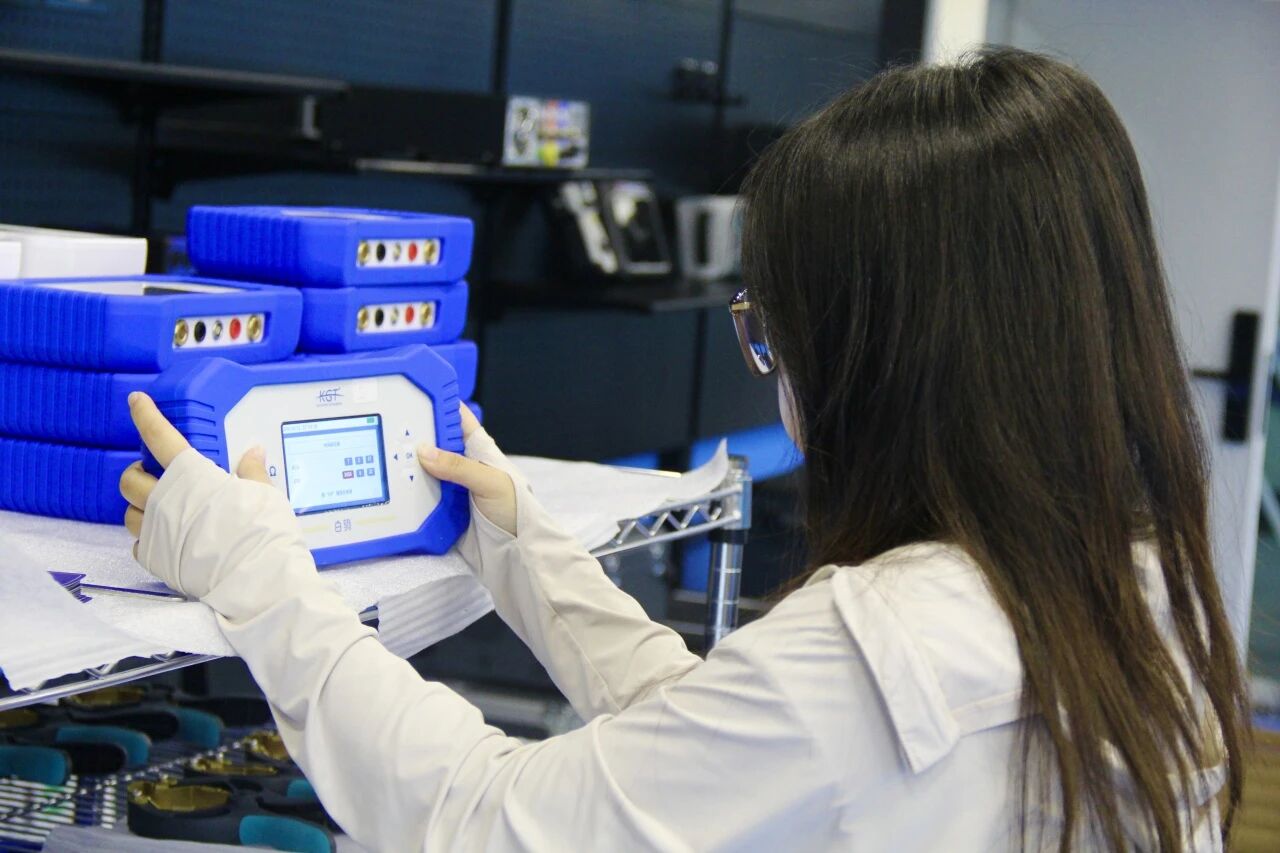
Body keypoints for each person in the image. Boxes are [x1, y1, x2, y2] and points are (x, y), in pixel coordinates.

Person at [118, 48, 1247, 852]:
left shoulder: (871, 647)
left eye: (775, 329)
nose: (776, 365)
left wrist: (258, 579)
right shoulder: (1137, 586)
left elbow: (481, 819)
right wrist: (527, 557)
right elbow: (729, 751)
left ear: (883, 354)